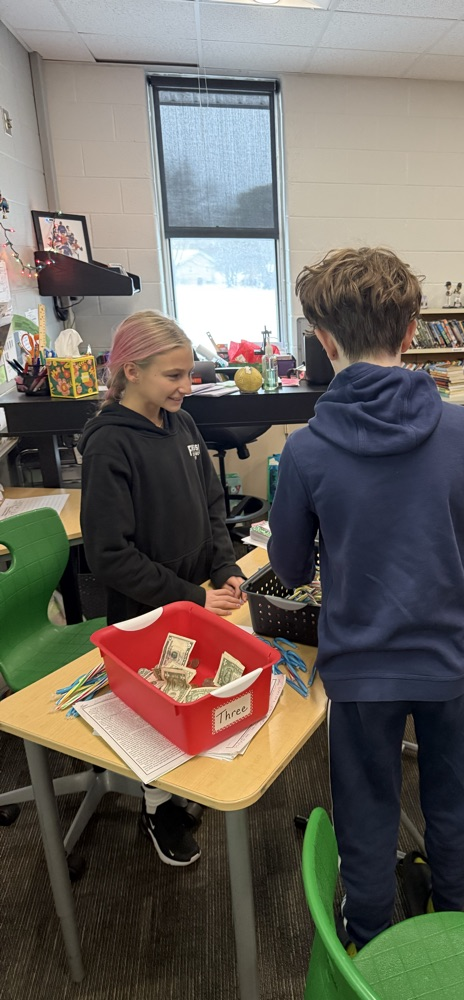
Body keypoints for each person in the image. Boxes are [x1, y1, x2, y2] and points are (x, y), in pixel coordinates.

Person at [267, 247, 464, 951]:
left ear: (323, 339)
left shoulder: (305, 449)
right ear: (412, 328)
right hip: (450, 654)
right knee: (452, 802)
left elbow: (292, 566)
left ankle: (369, 933)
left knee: (366, 807)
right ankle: (451, 918)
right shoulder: (462, 429)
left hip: (360, 664)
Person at [79, 309, 246, 867]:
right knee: (155, 710)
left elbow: (213, 507)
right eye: (173, 376)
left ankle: (183, 786)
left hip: (195, 593)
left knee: (193, 695)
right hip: (145, 609)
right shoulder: (109, 445)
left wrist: (225, 569)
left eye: (188, 373)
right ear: (130, 371)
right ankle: (157, 807)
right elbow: (109, 557)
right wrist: (191, 597)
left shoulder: (184, 424)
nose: (186, 386)